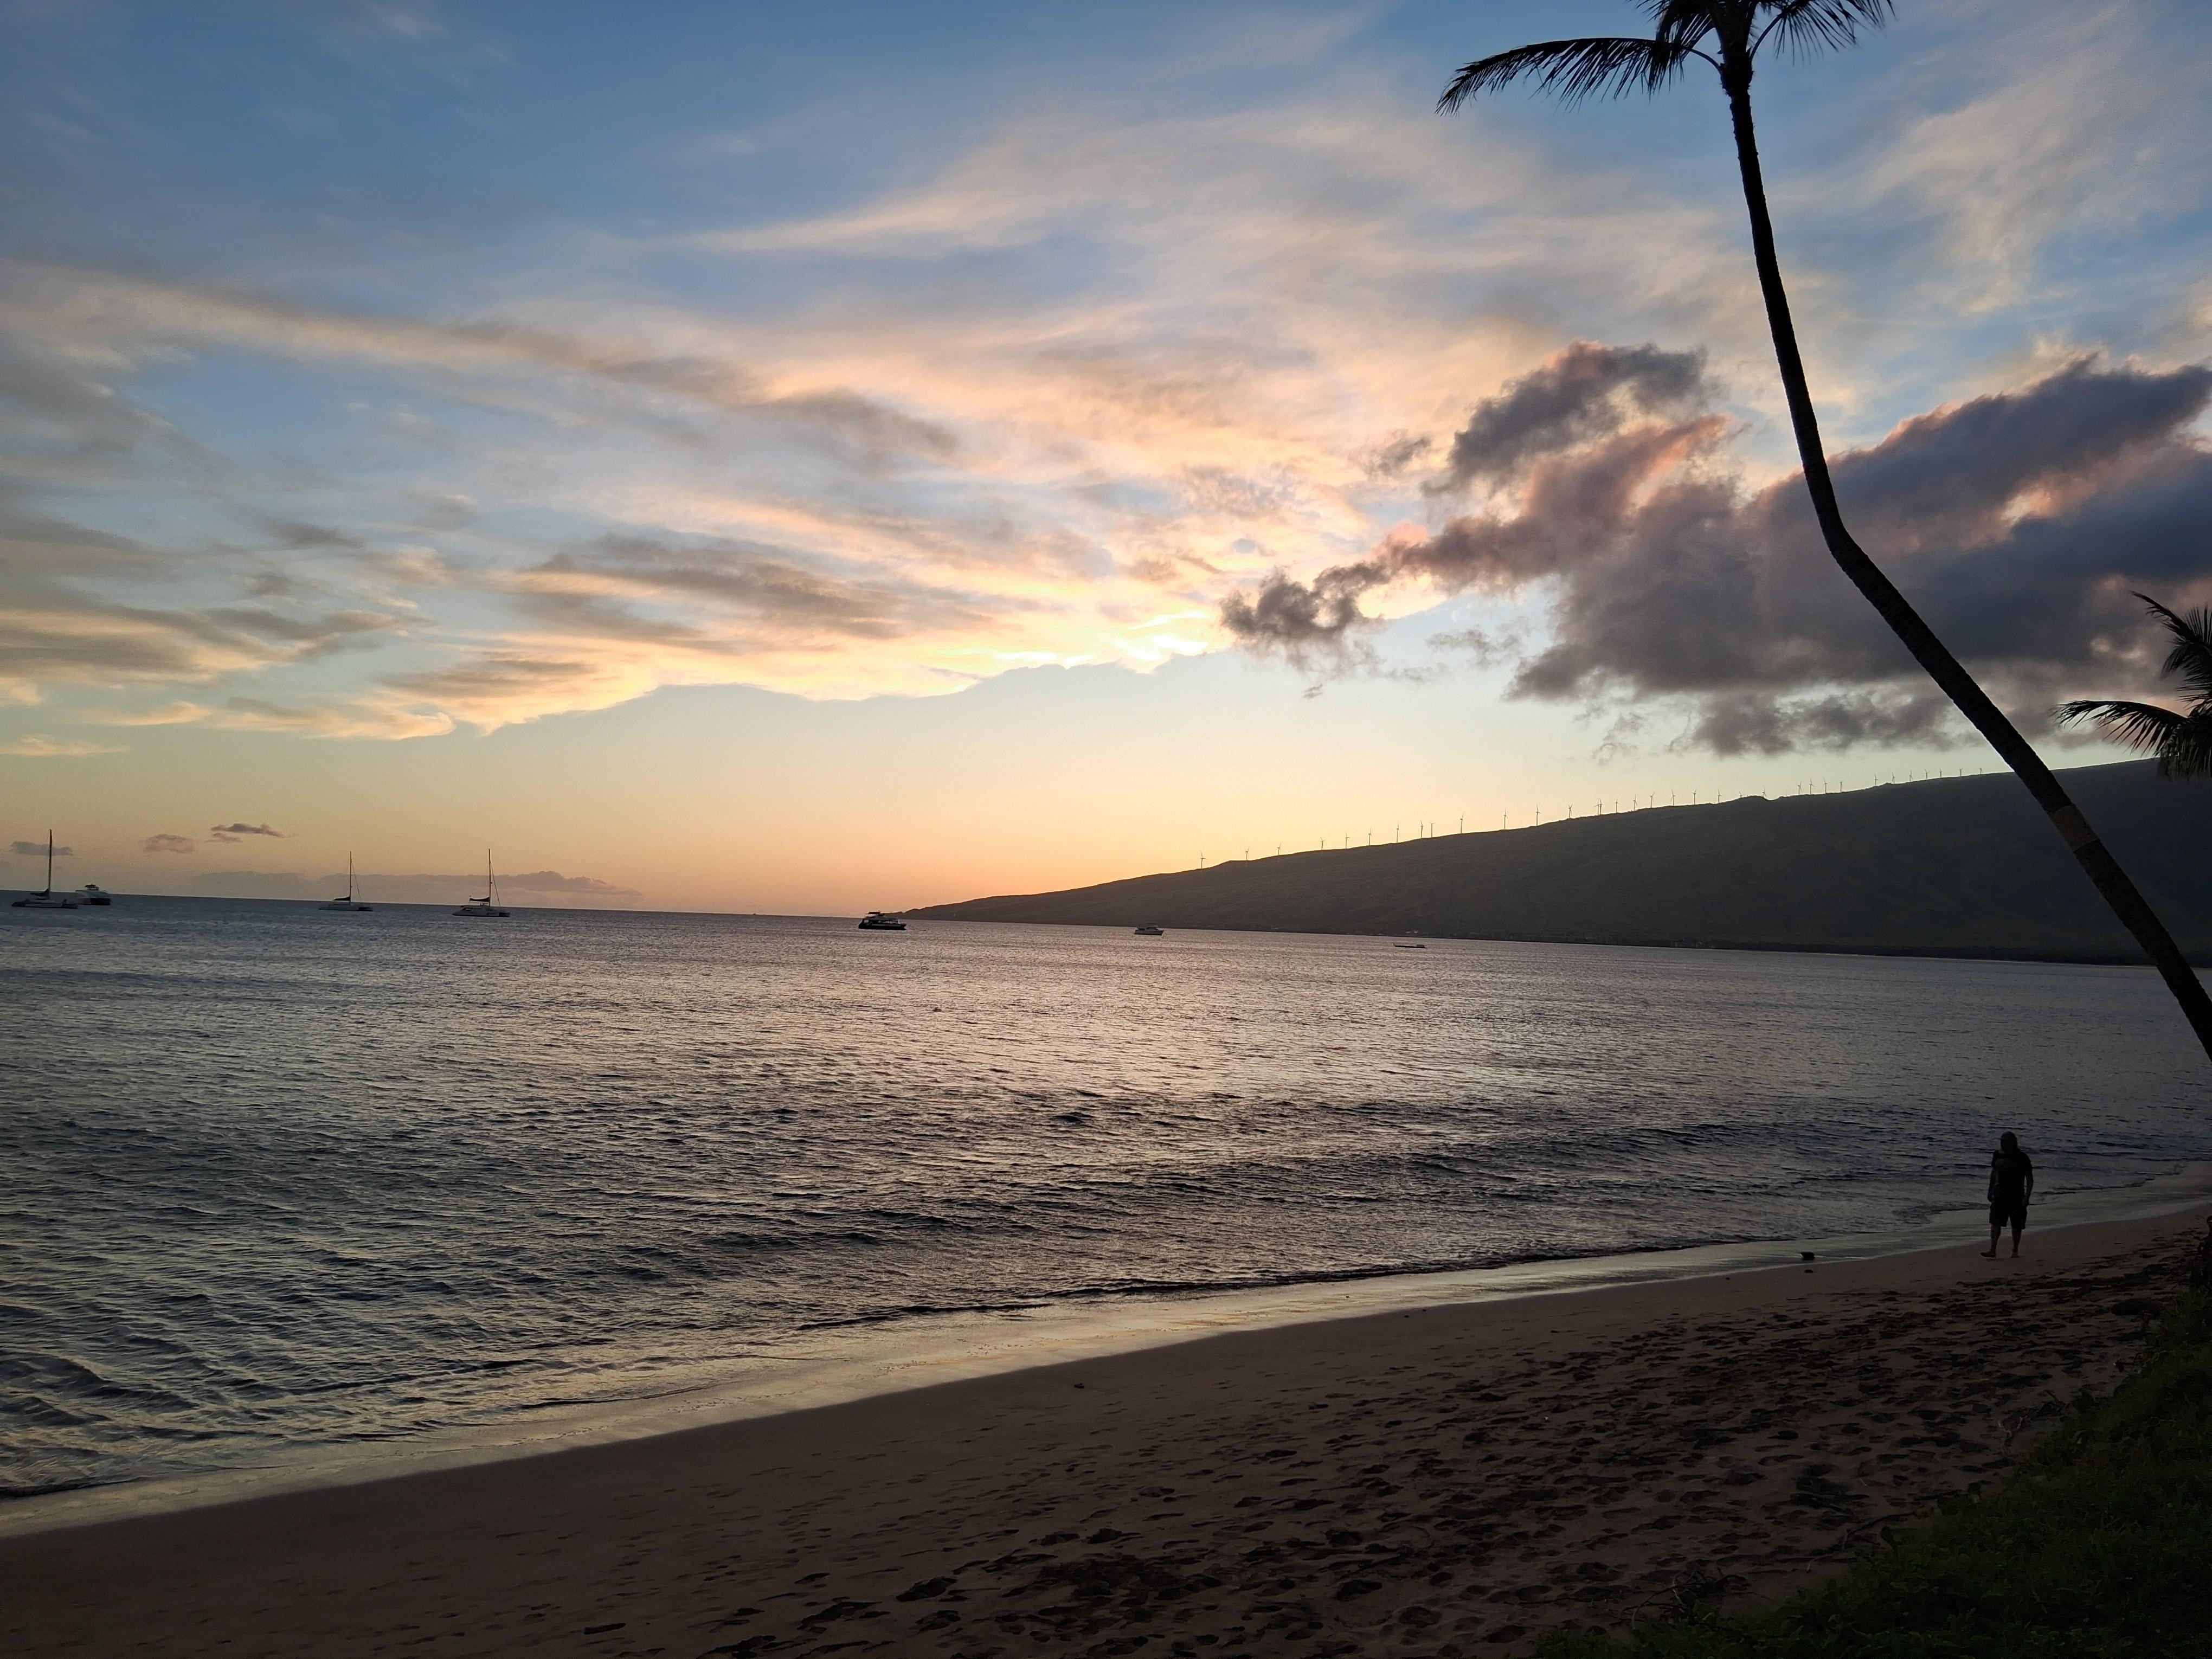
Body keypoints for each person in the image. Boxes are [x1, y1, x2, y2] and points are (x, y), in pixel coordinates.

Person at [1982, 1131, 2034, 1259]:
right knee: (1995, 1222)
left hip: (2017, 1194)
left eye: (2007, 1141)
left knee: (2017, 1224)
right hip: (2000, 1193)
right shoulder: (1997, 1155)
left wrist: (2027, 1197)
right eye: (2002, 1141)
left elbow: (2029, 1178)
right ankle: (1993, 1249)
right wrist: (1990, 1190)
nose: (2004, 1143)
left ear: (2013, 1142)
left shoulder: (2022, 1157)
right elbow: (1994, 1173)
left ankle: (2015, 1250)